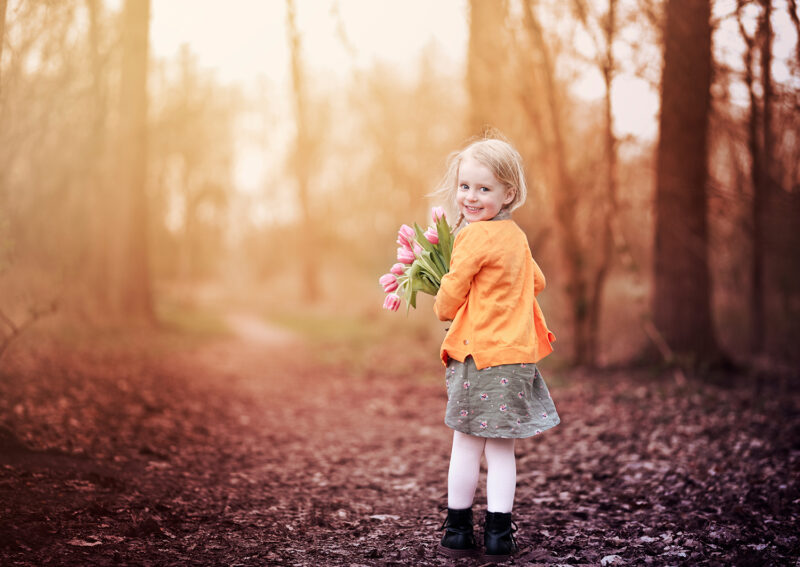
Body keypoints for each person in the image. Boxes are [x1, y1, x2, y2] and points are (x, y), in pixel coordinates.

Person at [432, 136, 560, 561]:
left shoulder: (473, 237)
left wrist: (444, 303)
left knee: (467, 443)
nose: (471, 197)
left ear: (509, 193)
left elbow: (450, 295)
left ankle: (456, 529)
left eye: (484, 189)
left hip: (479, 357)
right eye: (465, 186)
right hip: (517, 356)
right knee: (502, 448)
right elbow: (536, 282)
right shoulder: (516, 237)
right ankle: (499, 535)